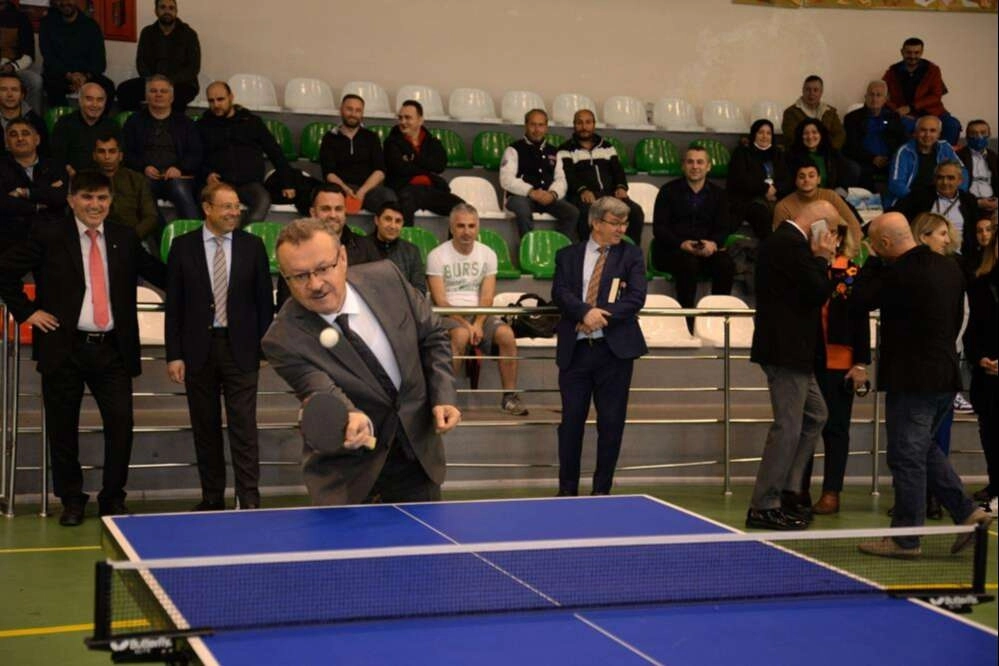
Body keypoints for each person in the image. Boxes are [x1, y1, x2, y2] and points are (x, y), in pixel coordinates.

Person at [0, 171, 166, 526]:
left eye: (102, 198)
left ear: (111, 201)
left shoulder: (124, 237)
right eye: (87, 197)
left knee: (121, 425)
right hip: (64, 348)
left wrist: (200, 274)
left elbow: (160, 274)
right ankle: (71, 500)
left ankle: (112, 499)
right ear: (72, 200)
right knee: (62, 430)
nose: (95, 205)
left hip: (113, 350)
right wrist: (27, 312)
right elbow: (4, 272)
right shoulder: (49, 234)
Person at [261, 218, 461, 505]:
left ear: (342, 257)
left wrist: (443, 396)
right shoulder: (283, 338)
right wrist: (351, 416)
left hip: (419, 457)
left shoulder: (388, 278)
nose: (315, 284)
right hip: (353, 477)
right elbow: (320, 388)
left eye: (323, 268)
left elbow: (432, 336)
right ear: (285, 276)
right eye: (300, 276)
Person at [853, 212, 990, 558]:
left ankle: (906, 538)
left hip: (913, 379)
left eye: (876, 244)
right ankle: (966, 512)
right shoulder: (950, 267)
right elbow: (957, 320)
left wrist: (871, 259)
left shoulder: (898, 272)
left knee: (906, 457)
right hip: (945, 373)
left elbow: (859, 300)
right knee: (922, 448)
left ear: (885, 243)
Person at [165, 182, 273, 511]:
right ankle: (212, 498)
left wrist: (264, 348)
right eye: (226, 206)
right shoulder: (183, 247)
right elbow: (175, 306)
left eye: (236, 206)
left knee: (244, 428)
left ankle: (249, 498)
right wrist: (174, 354)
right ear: (207, 208)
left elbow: (263, 303)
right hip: (198, 351)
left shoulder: (253, 246)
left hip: (241, 350)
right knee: (205, 428)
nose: (234, 212)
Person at [746, 200, 838, 531]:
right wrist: (823, 259)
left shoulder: (790, 243)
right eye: (831, 230)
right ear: (818, 226)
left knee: (816, 415)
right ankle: (764, 504)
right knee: (787, 426)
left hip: (794, 351)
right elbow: (817, 291)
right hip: (786, 351)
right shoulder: (789, 244)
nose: (833, 238)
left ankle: (788, 488)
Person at [551, 196, 647, 496]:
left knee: (611, 424)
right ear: (595, 222)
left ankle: (601, 492)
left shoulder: (631, 255)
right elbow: (559, 292)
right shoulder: (567, 255)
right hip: (576, 352)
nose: (621, 229)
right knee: (571, 424)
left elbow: (636, 298)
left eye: (624, 223)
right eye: (615, 223)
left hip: (614, 352)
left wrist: (598, 315)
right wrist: (584, 312)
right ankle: (567, 492)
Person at [426, 203, 528, 416]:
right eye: (461, 226)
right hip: (448, 314)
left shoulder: (488, 254)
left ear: (478, 227)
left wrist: (479, 323)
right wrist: (467, 324)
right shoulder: (436, 255)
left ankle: (509, 397)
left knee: (506, 335)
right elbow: (440, 301)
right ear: (452, 228)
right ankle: (447, 400)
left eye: (471, 226)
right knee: (461, 335)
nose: (467, 231)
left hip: (479, 313)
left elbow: (487, 297)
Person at [800, 217, 871, 515]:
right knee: (803, 429)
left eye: (832, 234)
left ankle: (831, 492)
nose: (827, 238)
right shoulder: (806, 268)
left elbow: (861, 320)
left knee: (836, 429)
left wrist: (861, 363)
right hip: (806, 360)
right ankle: (798, 489)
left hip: (840, 361)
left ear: (840, 239)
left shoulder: (852, 272)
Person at [651, 145, 733, 330]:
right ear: (683, 165)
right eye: (690, 162)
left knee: (725, 264)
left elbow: (723, 228)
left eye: (700, 162)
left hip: (705, 251)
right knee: (688, 263)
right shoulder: (667, 191)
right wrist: (681, 244)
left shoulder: (719, 195)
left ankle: (717, 321)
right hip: (672, 250)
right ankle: (686, 322)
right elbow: (660, 229)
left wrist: (713, 244)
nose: (695, 166)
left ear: (708, 166)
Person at [197, 81, 295, 224]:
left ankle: (242, 236)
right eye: (211, 101)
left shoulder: (252, 122)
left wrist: (287, 182)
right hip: (219, 183)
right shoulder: (202, 126)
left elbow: (275, 151)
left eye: (220, 99)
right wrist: (207, 173)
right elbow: (195, 156)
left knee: (263, 199)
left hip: (249, 184)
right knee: (208, 204)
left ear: (231, 97)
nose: (216, 105)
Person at [557, 109, 644, 244]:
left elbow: (618, 171)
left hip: (610, 195)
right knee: (587, 213)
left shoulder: (607, 147)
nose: (584, 127)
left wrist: (621, 187)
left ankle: (630, 252)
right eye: (580, 123)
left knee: (635, 211)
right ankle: (589, 251)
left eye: (588, 122)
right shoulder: (565, 149)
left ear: (594, 124)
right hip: (583, 196)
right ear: (574, 125)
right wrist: (583, 190)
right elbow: (569, 175)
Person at [122, 75, 202, 221]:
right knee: (144, 193)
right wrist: (143, 167)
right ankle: (160, 234)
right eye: (153, 91)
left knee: (180, 189)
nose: (158, 94)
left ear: (172, 97)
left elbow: (196, 153)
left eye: (163, 91)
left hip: (178, 177)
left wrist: (179, 168)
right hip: (145, 177)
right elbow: (126, 152)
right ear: (146, 96)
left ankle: (194, 230)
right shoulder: (134, 122)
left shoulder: (186, 123)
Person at [499, 108, 578, 239]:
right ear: (526, 125)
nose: (537, 129)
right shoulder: (513, 149)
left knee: (572, 212)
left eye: (541, 125)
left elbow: (561, 179)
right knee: (523, 210)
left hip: (547, 197)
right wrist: (531, 192)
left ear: (546, 127)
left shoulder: (554, 151)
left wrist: (553, 194)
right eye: (533, 125)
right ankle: (528, 248)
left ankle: (558, 248)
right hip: (521, 197)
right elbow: (506, 179)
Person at [383, 99, 463, 226]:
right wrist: (427, 168)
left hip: (431, 189)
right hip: (404, 188)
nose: (403, 122)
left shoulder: (432, 142)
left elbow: (440, 166)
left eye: (408, 118)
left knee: (462, 210)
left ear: (420, 120)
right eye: (400, 118)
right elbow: (400, 168)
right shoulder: (391, 142)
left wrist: (414, 159)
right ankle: (405, 239)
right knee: (404, 205)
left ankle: (455, 239)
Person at [963, 224, 997, 513]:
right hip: (986, 372)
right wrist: (978, 357)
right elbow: (972, 329)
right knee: (990, 431)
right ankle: (995, 483)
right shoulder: (979, 283)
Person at [116, 0, 201, 112]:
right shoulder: (147, 32)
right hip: (152, 80)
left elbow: (193, 67)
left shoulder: (189, 34)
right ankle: (140, 120)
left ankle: (173, 123)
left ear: (176, 11)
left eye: (171, 8)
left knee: (176, 98)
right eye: (163, 7)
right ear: (156, 11)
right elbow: (141, 62)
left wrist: (169, 81)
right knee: (124, 90)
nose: (167, 11)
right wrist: (153, 80)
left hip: (181, 83)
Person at [318, 94, 397, 214]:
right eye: (349, 109)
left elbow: (380, 171)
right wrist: (346, 189)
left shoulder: (371, 137)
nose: (353, 114)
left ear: (362, 113)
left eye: (358, 110)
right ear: (341, 110)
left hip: (368, 189)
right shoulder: (329, 138)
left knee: (388, 198)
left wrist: (362, 192)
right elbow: (329, 173)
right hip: (340, 189)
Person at [0, 119, 66, 251]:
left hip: (54, 238)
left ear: (37, 140)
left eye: (25, 133)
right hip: (12, 241)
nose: (20, 138)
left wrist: (25, 193)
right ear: (7, 143)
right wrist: (36, 206)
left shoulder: (55, 166)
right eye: (13, 135)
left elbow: (61, 196)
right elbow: (3, 203)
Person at [882, 37, 961, 146]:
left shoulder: (933, 70)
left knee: (953, 125)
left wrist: (911, 107)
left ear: (922, 52)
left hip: (934, 113)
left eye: (916, 53)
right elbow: (882, 96)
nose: (912, 56)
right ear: (902, 52)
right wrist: (898, 112)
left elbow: (936, 96)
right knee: (901, 126)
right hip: (906, 116)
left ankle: (944, 155)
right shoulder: (892, 71)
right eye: (909, 52)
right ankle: (909, 155)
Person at [38, 0, 115, 107]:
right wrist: (69, 75)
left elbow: (100, 62)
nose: (65, 2)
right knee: (53, 85)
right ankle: (63, 117)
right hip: (59, 74)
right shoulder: (47, 24)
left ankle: (96, 117)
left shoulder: (90, 25)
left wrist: (85, 77)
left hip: (86, 75)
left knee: (108, 87)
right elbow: (48, 57)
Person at [892, 160, 979, 254]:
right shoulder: (919, 196)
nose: (945, 182)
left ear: (960, 180)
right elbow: (896, 215)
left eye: (950, 178)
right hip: (925, 254)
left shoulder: (969, 201)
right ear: (934, 179)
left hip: (959, 255)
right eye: (940, 178)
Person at [726, 119, 791, 240]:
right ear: (754, 134)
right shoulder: (742, 153)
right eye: (761, 132)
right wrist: (765, 189)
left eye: (768, 133)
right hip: (749, 200)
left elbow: (786, 179)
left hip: (776, 197)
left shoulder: (778, 154)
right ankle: (768, 248)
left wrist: (776, 189)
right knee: (761, 214)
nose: (765, 136)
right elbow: (740, 180)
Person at [91, 133, 158, 247]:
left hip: (133, 238)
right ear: (94, 156)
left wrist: (132, 236)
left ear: (120, 156)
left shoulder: (137, 179)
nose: (107, 157)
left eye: (112, 151)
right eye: (101, 152)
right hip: (95, 240)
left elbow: (151, 216)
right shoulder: (85, 181)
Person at [885, 115, 966, 209]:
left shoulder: (945, 148)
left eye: (932, 131)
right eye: (923, 130)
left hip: (942, 199)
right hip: (910, 201)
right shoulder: (904, 151)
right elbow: (896, 184)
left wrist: (956, 194)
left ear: (939, 134)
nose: (927, 135)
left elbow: (963, 172)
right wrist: (921, 201)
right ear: (915, 133)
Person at [773, 162, 863, 244]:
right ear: (795, 181)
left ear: (819, 179)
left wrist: (850, 251)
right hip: (801, 251)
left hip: (835, 249)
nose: (806, 180)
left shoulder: (831, 196)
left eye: (811, 176)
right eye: (801, 177)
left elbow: (853, 225)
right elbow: (780, 242)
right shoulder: (783, 207)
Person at [843, 81, 907, 193]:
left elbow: (902, 141)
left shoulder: (893, 117)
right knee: (859, 171)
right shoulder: (852, 118)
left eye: (878, 95)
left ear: (885, 99)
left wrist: (890, 158)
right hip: (864, 160)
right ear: (866, 97)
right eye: (871, 94)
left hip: (889, 160)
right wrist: (873, 158)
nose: (874, 99)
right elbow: (851, 146)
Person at [49, 82, 122, 177]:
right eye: (89, 99)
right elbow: (57, 158)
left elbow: (119, 159)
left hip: (105, 179)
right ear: (80, 101)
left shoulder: (113, 126)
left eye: (100, 100)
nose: (95, 104)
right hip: (72, 179)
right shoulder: (64, 124)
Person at [359, 201, 427, 295]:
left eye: (398, 221)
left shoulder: (412, 251)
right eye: (388, 219)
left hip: (401, 303)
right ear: (377, 220)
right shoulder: (360, 247)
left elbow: (420, 290)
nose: (393, 226)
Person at [786, 118, 855, 191]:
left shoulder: (832, 154)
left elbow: (844, 178)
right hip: (801, 196)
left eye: (814, 132)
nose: (810, 136)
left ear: (821, 134)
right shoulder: (791, 156)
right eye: (805, 133)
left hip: (829, 195)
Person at [781, 75, 846, 150]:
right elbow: (792, 138)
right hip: (801, 154)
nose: (811, 93)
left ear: (821, 92)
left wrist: (827, 150)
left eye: (815, 90)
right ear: (803, 91)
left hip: (828, 153)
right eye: (808, 90)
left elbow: (839, 135)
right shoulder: (790, 113)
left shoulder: (830, 112)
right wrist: (813, 150)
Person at [0, 0, 43, 112]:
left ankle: (31, 118)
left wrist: (12, 67)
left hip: (14, 69)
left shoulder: (21, 18)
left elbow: (28, 56)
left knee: (35, 81)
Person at [0, 71, 46, 158]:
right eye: (4, 89)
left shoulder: (36, 121)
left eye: (14, 90)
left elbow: (44, 155)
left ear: (22, 95)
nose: (9, 94)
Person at [957, 119, 998, 216]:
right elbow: (956, 187)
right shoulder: (958, 157)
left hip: (992, 203)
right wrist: (977, 203)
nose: (979, 137)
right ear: (967, 137)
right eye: (974, 134)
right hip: (967, 205)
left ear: (989, 135)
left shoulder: (994, 157)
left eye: (983, 133)